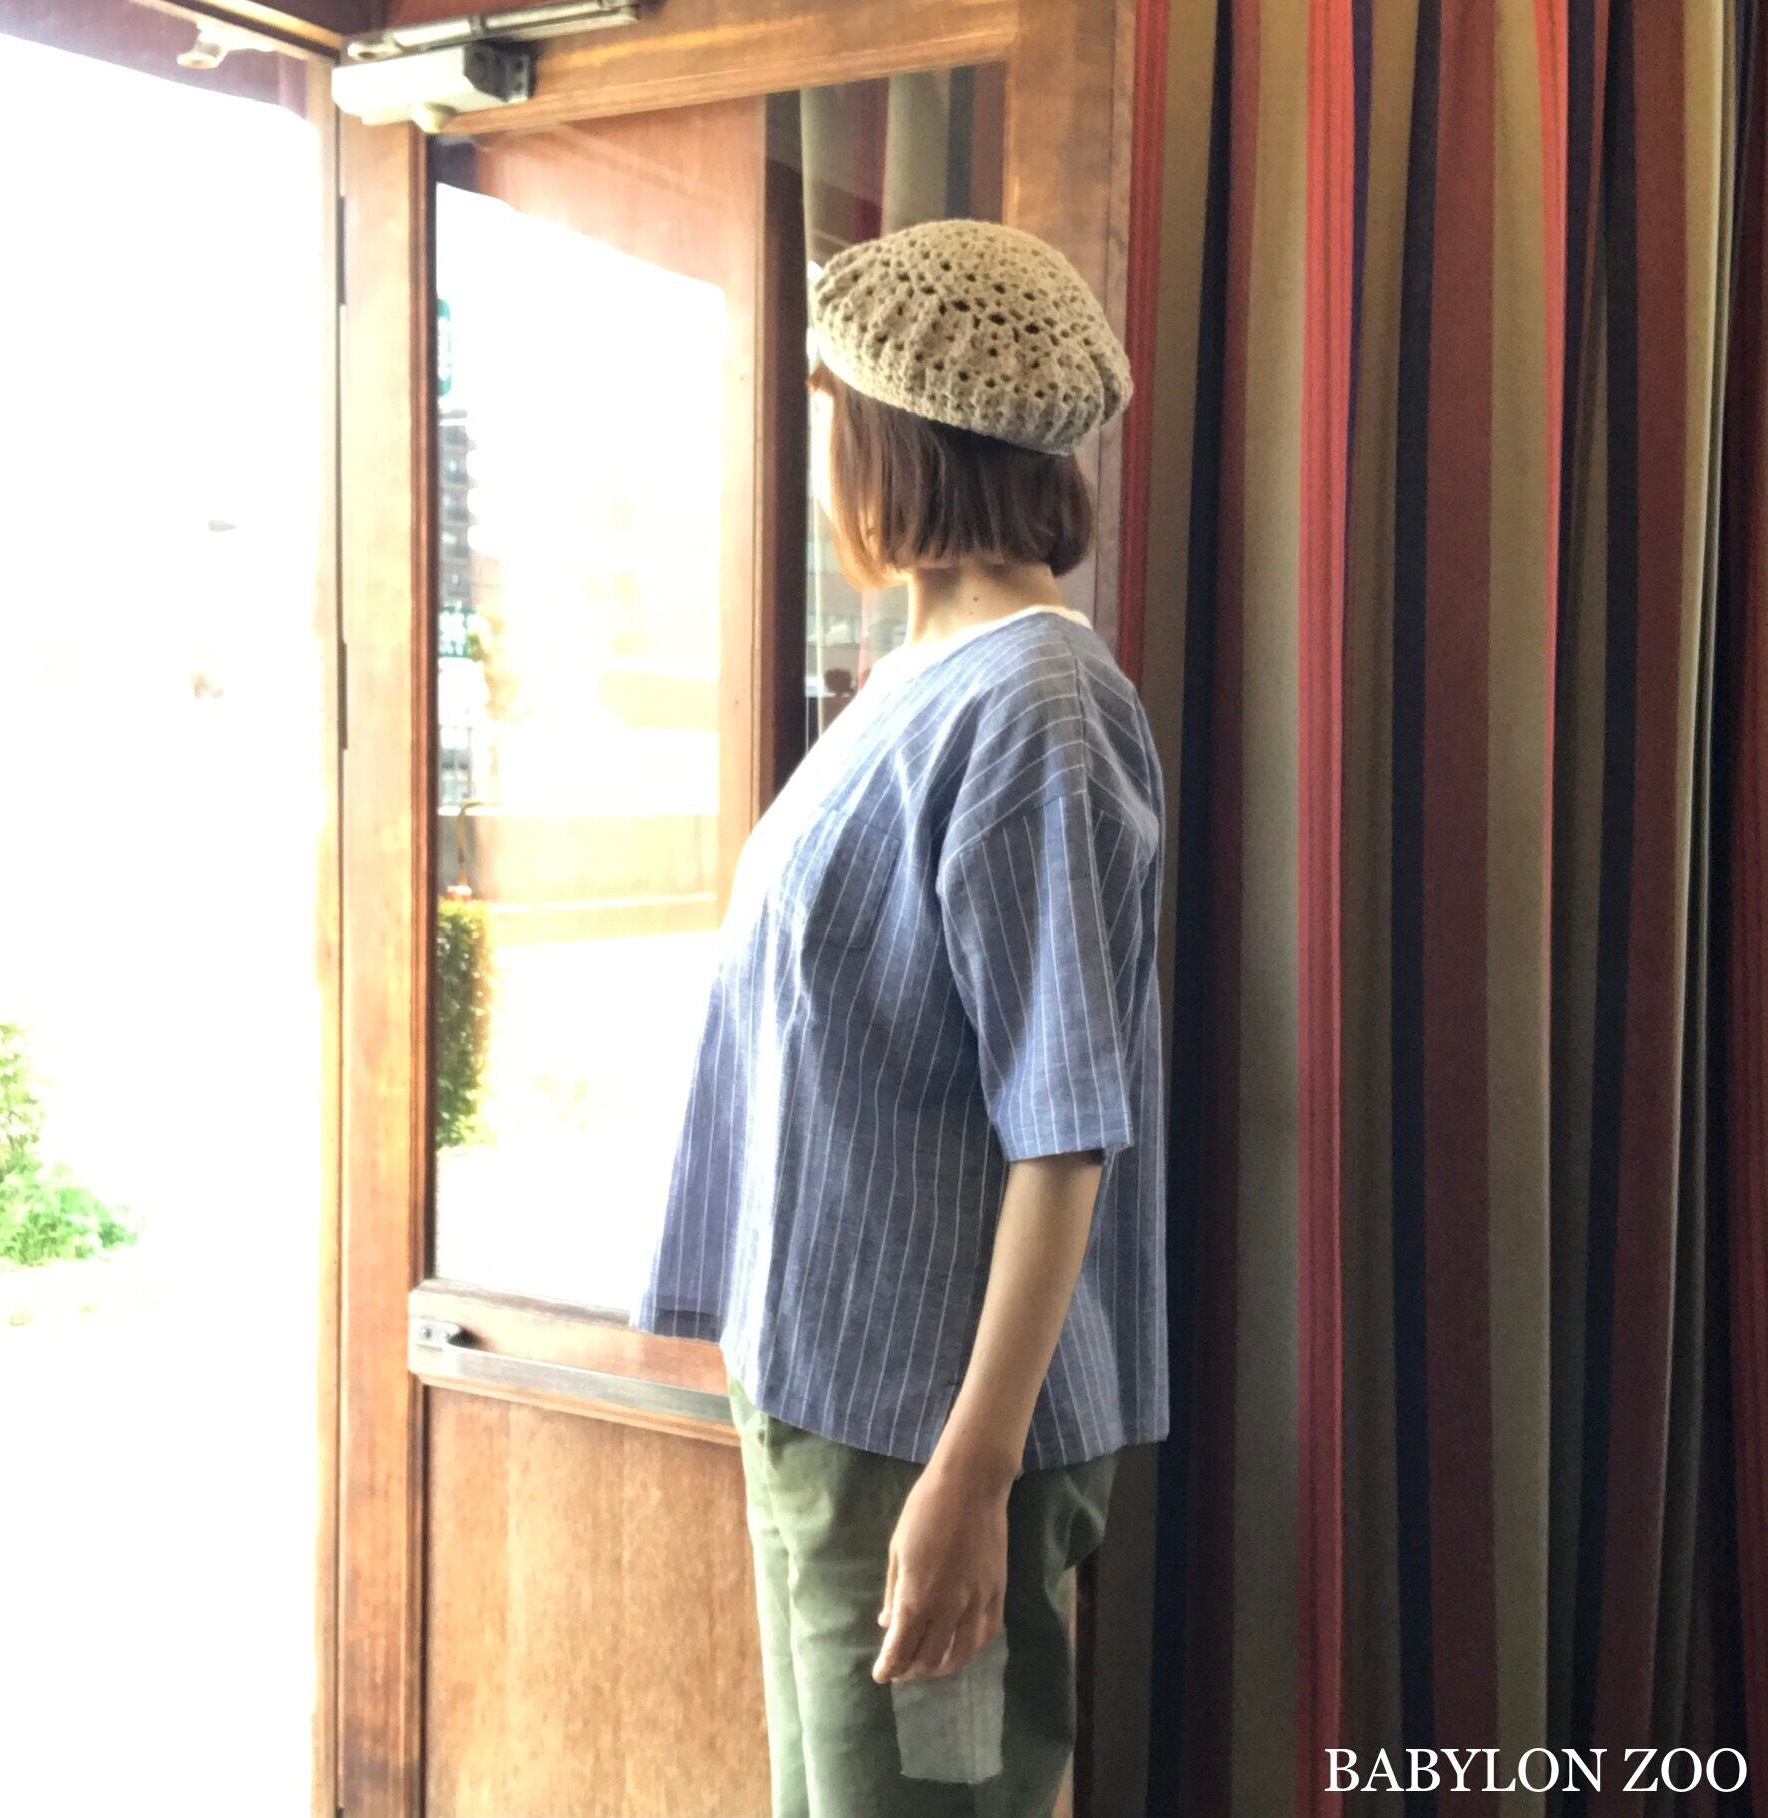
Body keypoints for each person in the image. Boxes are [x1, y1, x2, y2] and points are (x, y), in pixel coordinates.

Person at [631, 215, 1169, 1817]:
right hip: (836, 1399)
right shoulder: (922, 673)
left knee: (935, 1801)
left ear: (896, 438)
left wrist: (971, 1478)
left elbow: (1064, 1128)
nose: (820, 456)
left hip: (927, 1430)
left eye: (831, 413)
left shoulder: (1034, 704)